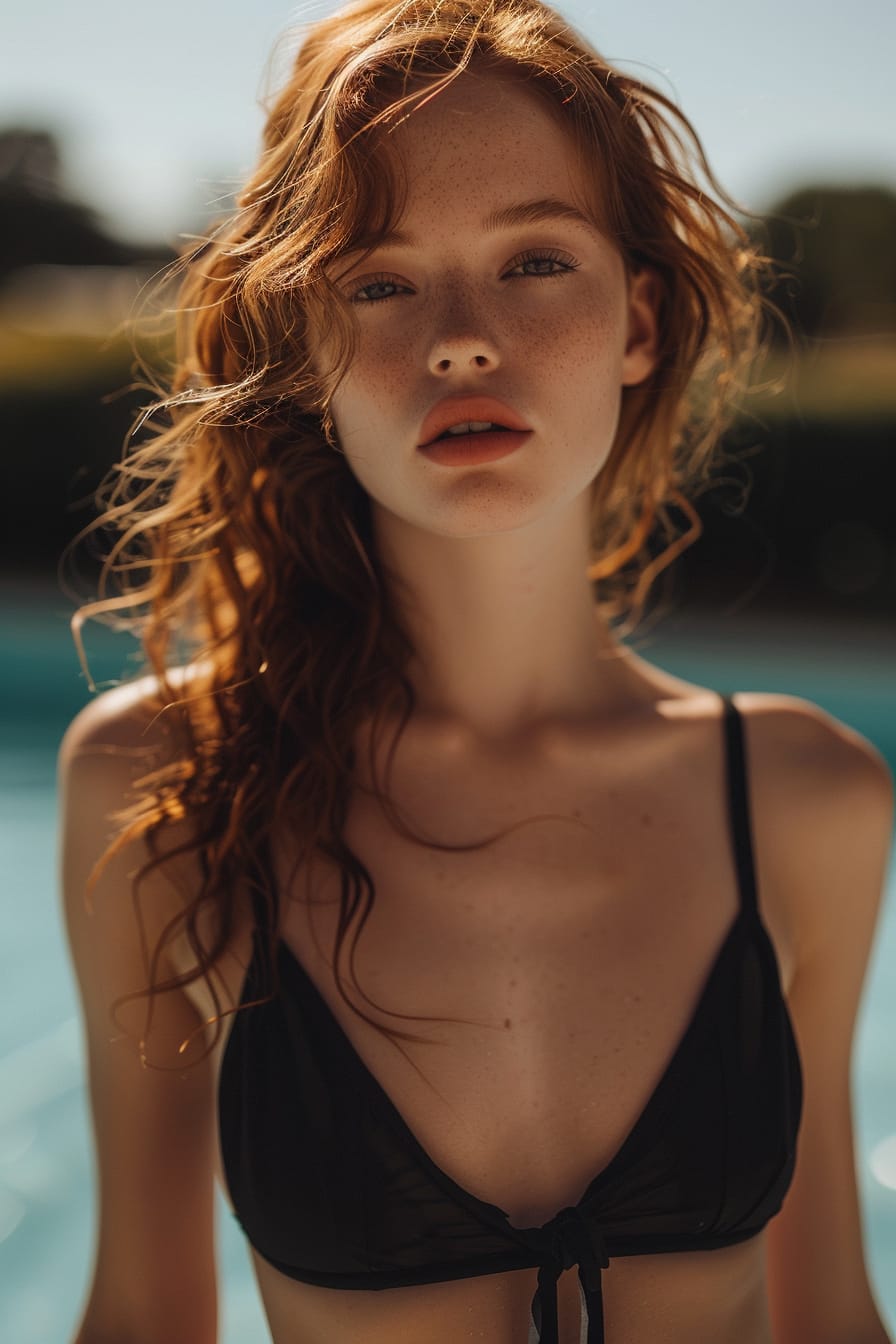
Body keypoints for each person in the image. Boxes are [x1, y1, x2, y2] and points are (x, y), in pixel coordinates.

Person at [60, 1, 894, 1341]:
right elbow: (143, 1320)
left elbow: (837, 1317)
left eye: (535, 263)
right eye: (378, 283)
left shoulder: (804, 799)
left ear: (640, 318)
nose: (458, 338)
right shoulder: (166, 785)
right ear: (303, 356)